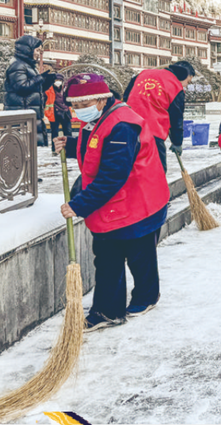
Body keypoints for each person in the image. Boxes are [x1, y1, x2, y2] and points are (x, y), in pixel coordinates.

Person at [54, 73, 169, 331]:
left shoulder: (122, 125)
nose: (79, 110)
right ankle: (114, 308)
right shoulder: (100, 118)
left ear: (101, 99)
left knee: (136, 255)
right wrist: (71, 145)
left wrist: (79, 205)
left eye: (85, 105)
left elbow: (112, 175)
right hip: (121, 201)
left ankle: (138, 300)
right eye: (75, 106)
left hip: (138, 202)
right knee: (111, 256)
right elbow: (97, 145)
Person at [123, 61, 195, 173]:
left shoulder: (143, 74)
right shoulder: (176, 87)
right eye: (188, 82)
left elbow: (126, 96)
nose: (186, 85)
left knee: (132, 170)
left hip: (128, 128)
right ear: (186, 74)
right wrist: (177, 142)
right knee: (157, 172)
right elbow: (176, 117)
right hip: (153, 132)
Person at [4, 35, 56, 146]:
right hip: (22, 118)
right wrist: (40, 78)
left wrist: (47, 81)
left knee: (31, 150)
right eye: (37, 50)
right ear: (27, 49)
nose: (38, 54)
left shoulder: (29, 66)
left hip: (31, 116)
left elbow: (33, 89)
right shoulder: (18, 65)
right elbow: (21, 87)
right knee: (23, 149)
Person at [45, 74, 72, 152]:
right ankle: (55, 150)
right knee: (54, 133)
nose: (58, 82)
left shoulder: (65, 89)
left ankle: (69, 149)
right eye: (56, 80)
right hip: (54, 114)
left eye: (59, 80)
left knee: (68, 132)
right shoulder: (49, 89)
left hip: (65, 113)